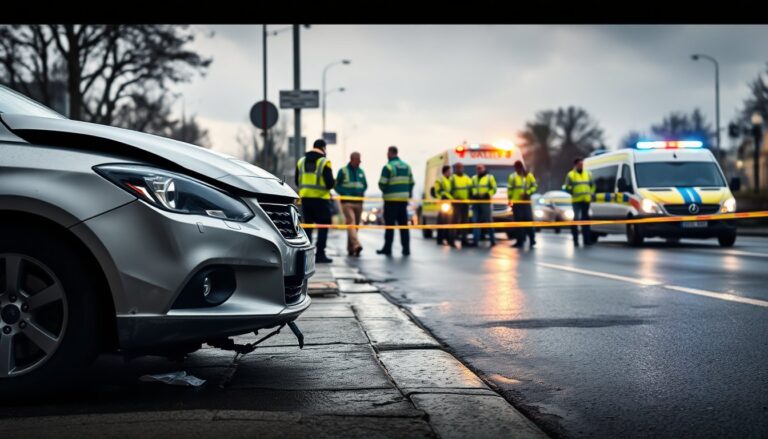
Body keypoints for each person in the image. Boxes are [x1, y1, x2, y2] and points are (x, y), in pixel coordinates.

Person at [296, 139, 335, 263]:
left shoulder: (301, 161)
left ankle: (308, 256)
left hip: (306, 199)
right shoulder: (324, 162)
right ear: (323, 148)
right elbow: (329, 184)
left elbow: (298, 181)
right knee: (323, 227)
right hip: (321, 200)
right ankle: (320, 255)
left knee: (308, 227)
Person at [377, 146, 415, 256]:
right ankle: (406, 249)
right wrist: (407, 193)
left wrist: (386, 190)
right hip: (403, 201)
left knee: (390, 226)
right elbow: (412, 182)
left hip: (391, 200)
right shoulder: (407, 166)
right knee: (403, 226)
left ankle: (387, 248)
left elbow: (382, 183)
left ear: (390, 153)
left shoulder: (388, 167)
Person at [335, 152, 368, 256]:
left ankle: (351, 248)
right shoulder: (343, 171)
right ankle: (357, 245)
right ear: (352, 159)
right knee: (351, 223)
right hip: (347, 203)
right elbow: (336, 185)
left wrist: (361, 191)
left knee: (355, 226)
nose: (360, 162)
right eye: (358, 160)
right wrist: (345, 193)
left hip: (359, 202)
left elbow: (365, 185)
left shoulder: (361, 172)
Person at [563, 157, 596, 247]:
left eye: (582, 164)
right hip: (576, 200)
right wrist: (572, 191)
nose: (581, 166)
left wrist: (591, 194)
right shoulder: (571, 175)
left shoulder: (588, 174)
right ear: (575, 165)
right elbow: (566, 186)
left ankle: (587, 240)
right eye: (579, 164)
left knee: (586, 221)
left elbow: (593, 185)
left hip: (586, 200)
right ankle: (575, 240)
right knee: (576, 220)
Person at [508, 160, 538, 248]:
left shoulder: (528, 176)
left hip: (526, 202)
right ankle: (520, 241)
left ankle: (532, 240)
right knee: (518, 223)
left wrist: (528, 192)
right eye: (516, 168)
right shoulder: (512, 177)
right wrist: (510, 201)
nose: (517, 170)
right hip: (517, 203)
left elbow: (535, 186)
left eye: (518, 168)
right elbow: (509, 190)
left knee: (528, 221)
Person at [470, 164, 497, 247]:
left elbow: (494, 188)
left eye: (480, 168)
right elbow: (472, 188)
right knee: (476, 222)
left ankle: (493, 241)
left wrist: (488, 194)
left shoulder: (490, 177)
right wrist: (474, 195)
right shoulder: (474, 178)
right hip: (476, 202)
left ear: (484, 169)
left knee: (488, 221)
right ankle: (475, 241)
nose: (479, 170)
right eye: (477, 169)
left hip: (485, 202)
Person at [449, 162, 473, 248]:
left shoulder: (467, 178)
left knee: (465, 222)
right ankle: (451, 240)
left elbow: (471, 189)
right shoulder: (452, 178)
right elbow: (449, 190)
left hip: (465, 203)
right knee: (454, 222)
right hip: (456, 203)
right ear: (455, 169)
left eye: (461, 167)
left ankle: (464, 240)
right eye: (458, 168)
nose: (459, 169)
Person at [433, 165, 453, 246]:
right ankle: (440, 239)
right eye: (449, 171)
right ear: (445, 172)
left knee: (449, 222)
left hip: (450, 203)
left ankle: (448, 239)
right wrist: (441, 197)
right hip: (443, 203)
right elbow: (437, 191)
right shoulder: (439, 180)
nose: (450, 172)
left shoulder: (450, 180)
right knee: (441, 222)